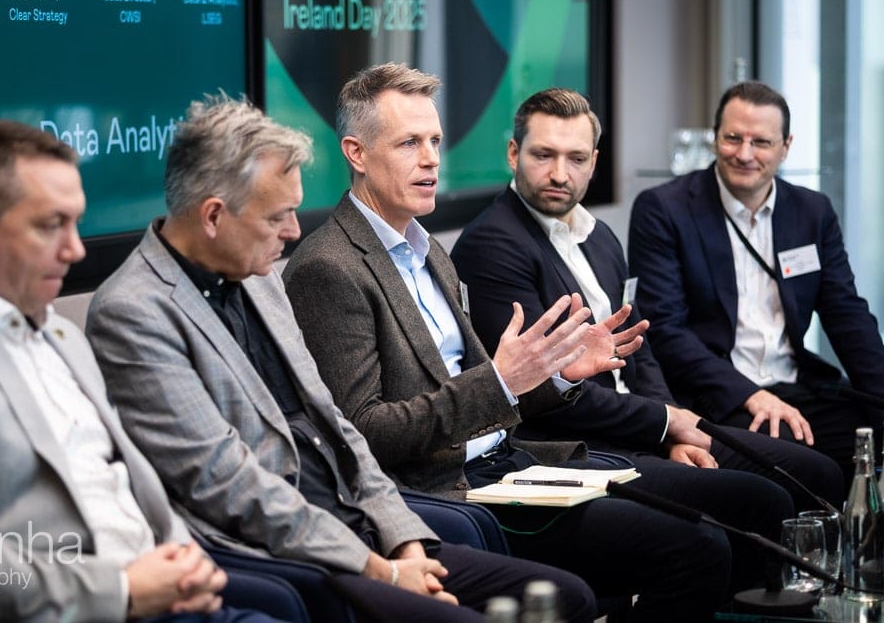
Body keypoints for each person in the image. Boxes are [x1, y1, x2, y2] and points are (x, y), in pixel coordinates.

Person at [282, 63, 792, 621]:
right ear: (356, 153)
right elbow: (366, 433)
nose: (431, 159)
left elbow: (495, 391)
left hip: (518, 462)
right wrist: (503, 379)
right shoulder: (327, 268)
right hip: (452, 490)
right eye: (409, 143)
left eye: (434, 141)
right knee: (695, 550)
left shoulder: (428, 250)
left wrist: (556, 374)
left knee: (749, 506)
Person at [84, 94, 598, 623]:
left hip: (355, 510)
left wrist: (404, 542)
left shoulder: (257, 278)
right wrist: (382, 569)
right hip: (281, 541)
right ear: (214, 216)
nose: (291, 234)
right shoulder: (135, 311)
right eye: (279, 216)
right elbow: (227, 481)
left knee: (566, 596)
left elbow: (336, 426)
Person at [0, 120, 281, 622]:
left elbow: (130, 483)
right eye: (51, 225)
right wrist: (123, 590)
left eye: (75, 223)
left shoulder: (60, 334)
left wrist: (183, 562)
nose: (75, 249)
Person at [449, 87, 844, 511]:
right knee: (758, 498)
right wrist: (666, 423)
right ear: (513, 154)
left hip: (638, 429)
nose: (560, 174)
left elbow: (643, 352)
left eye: (576, 158)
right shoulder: (493, 243)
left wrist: (671, 428)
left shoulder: (599, 237)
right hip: (575, 446)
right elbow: (544, 396)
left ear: (594, 163)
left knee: (817, 471)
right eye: (543, 155)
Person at [628, 80, 884, 479]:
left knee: (872, 439)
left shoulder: (811, 212)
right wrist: (751, 394)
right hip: (718, 396)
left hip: (799, 388)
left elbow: (847, 315)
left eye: (761, 142)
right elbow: (665, 330)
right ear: (715, 138)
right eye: (733, 138)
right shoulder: (664, 209)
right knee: (816, 469)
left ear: (786, 146)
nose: (744, 154)